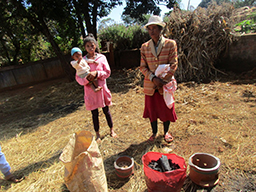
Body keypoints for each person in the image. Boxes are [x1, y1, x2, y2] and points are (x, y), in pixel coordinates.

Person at [140, 15, 178, 143]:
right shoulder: (144, 47)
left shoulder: (170, 44)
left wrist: (163, 80)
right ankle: (154, 132)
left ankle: (166, 132)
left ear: (161, 29)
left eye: (154, 28)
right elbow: (142, 67)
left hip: (165, 85)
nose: (152, 31)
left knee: (166, 109)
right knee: (152, 110)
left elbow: (174, 64)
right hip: (151, 85)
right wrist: (153, 78)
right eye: (149, 28)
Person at [75, 34, 117, 142]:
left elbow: (107, 72)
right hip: (91, 92)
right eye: (88, 46)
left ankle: (111, 130)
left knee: (106, 111)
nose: (90, 48)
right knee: (94, 114)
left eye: (92, 45)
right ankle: (97, 134)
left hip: (102, 90)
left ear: (95, 45)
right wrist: (87, 80)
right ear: (85, 48)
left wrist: (97, 73)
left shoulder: (102, 58)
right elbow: (78, 77)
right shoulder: (82, 61)